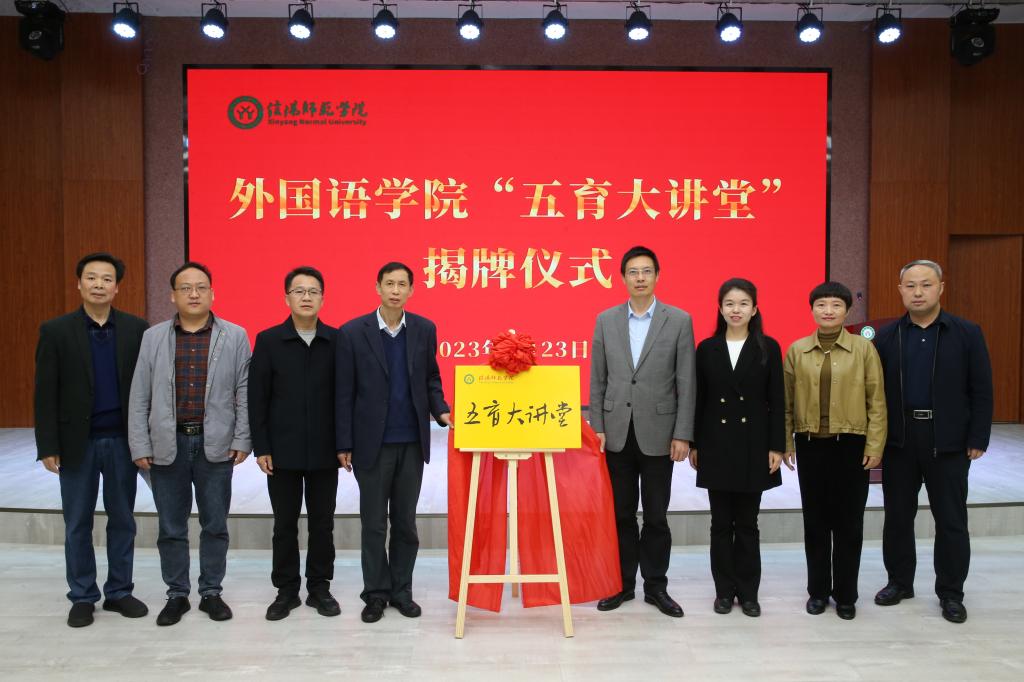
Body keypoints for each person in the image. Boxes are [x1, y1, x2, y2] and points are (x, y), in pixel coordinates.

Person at [128, 261, 251, 626]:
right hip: (168, 444)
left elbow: (244, 391)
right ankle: (177, 594)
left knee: (215, 524)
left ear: (212, 293)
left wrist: (242, 437)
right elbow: (140, 394)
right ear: (173, 296)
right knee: (171, 526)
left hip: (216, 445)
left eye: (201, 287)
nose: (194, 294)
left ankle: (211, 592)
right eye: (185, 288)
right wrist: (140, 444)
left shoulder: (235, 336)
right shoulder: (153, 338)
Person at [873, 260, 993, 624]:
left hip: (949, 441)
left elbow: (981, 388)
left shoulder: (966, 333)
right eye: (910, 286)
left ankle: (951, 593)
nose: (918, 292)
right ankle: (899, 582)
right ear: (900, 290)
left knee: (951, 520)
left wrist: (978, 435)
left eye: (926, 285)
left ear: (941, 287)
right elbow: (874, 393)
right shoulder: (887, 336)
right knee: (897, 517)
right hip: (900, 440)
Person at [34, 252, 150, 628]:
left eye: (106, 279)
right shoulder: (56, 331)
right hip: (76, 444)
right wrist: (47, 445)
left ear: (117, 287)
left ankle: (119, 591)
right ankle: (82, 595)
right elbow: (44, 392)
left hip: (122, 442)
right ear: (79, 284)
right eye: (92, 278)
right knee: (77, 522)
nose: (99, 284)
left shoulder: (136, 329)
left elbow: (146, 389)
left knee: (123, 520)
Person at [336, 262, 451, 624]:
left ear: (411, 290)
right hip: (371, 445)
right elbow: (344, 392)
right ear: (378, 287)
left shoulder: (424, 329)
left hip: (411, 443)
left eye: (403, 284)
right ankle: (375, 594)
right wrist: (343, 442)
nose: (396, 290)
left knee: (405, 524)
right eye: (390, 284)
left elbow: (431, 378)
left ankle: (401, 591)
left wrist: (441, 410)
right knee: (373, 524)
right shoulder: (353, 332)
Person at [590, 245, 696, 618]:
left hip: (660, 433)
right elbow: (598, 379)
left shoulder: (678, 320)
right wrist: (597, 427)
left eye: (646, 271)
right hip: (616, 433)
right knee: (620, 515)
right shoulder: (606, 320)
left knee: (655, 516)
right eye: (633, 272)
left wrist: (683, 434)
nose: (639, 278)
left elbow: (687, 381)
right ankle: (622, 584)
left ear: (657, 276)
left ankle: (656, 587)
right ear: (622, 278)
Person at [784, 281, 886, 620]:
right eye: (822, 305)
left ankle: (845, 595)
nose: (828, 311)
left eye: (836, 305)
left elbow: (877, 401)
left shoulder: (863, 349)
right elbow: (785, 404)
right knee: (815, 522)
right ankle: (817, 592)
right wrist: (786, 442)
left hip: (851, 444)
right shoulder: (797, 350)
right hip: (810, 444)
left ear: (847, 310)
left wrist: (875, 444)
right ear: (812, 309)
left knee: (849, 523)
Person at [689, 278, 785, 618]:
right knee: (720, 523)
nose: (736, 310)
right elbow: (699, 399)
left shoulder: (768, 347)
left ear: (754, 309)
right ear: (720, 308)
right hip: (715, 444)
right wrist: (695, 443)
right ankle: (723, 591)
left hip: (753, 445)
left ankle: (748, 593)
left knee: (747, 523)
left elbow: (777, 400)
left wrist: (777, 446)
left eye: (743, 303)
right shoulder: (707, 348)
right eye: (729, 303)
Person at [249, 266, 340, 621]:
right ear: (286, 297)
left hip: (325, 451)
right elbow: (257, 398)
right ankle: (286, 591)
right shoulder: (269, 340)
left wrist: (344, 444)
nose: (306, 297)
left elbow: (344, 397)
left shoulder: (336, 341)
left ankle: (319, 588)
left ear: (323, 299)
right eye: (299, 291)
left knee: (323, 524)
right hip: (281, 452)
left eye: (313, 291)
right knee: (284, 524)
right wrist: (262, 447)